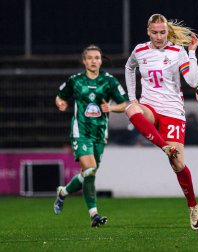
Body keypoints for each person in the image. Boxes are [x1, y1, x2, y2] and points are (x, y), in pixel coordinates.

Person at [124, 14, 198, 230]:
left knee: (178, 165)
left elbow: (194, 82)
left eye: (162, 32)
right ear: (148, 31)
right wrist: (132, 97)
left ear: (167, 31)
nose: (159, 36)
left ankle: (193, 205)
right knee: (131, 108)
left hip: (173, 113)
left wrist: (192, 52)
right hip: (149, 108)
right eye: (155, 32)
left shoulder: (178, 52)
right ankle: (164, 146)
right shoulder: (140, 51)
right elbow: (129, 67)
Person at [54, 45, 128, 227]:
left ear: (101, 60)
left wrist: (111, 107)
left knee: (88, 174)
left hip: (100, 133)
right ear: (84, 61)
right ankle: (94, 215)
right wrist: (61, 103)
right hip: (81, 132)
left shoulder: (109, 81)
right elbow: (60, 95)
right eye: (90, 58)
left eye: (97, 57)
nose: (94, 61)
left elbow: (124, 104)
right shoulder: (75, 80)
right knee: (90, 169)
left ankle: (63, 192)